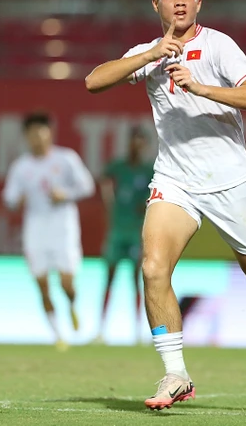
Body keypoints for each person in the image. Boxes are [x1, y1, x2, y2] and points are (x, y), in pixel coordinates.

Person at [85, 0, 246, 410]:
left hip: (230, 181)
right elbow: (93, 82)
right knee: (153, 267)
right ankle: (175, 374)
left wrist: (201, 87)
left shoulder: (218, 46)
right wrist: (153, 53)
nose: (180, 2)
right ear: (155, 3)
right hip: (175, 180)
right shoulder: (147, 54)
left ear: (200, 3)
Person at [1, 111, 95, 351]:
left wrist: (66, 194)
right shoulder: (21, 167)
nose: (36, 139)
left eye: (40, 133)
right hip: (36, 230)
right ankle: (57, 335)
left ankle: (72, 305)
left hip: (63, 228)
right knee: (42, 284)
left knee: (66, 283)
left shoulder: (66, 159)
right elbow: (9, 197)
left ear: (49, 134)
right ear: (26, 137)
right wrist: (17, 200)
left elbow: (87, 186)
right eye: (31, 134)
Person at [94, 127, 154, 344]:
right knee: (109, 278)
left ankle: (137, 332)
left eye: (140, 142)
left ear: (145, 146)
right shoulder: (118, 167)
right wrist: (109, 201)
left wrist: (146, 205)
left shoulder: (149, 171)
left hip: (136, 231)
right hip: (117, 230)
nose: (136, 146)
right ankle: (100, 330)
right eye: (133, 141)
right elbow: (104, 180)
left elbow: (154, 196)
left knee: (136, 280)